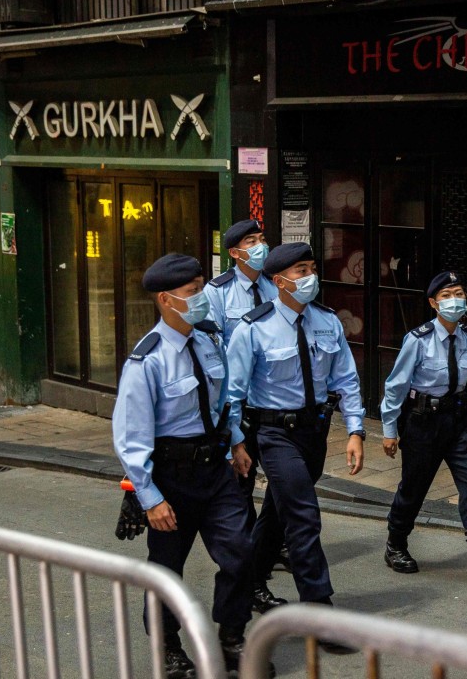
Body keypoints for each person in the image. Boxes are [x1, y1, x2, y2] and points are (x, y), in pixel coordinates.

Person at [112, 253, 270, 678]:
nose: (202, 297)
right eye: (193, 292)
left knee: (240, 553)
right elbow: (131, 439)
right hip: (171, 478)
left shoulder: (208, 338)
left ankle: (232, 638)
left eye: (202, 287)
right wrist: (149, 498)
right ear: (166, 299)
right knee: (166, 572)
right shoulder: (147, 360)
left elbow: (222, 402)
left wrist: (236, 442)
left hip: (216, 471)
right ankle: (168, 647)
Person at [225, 242, 365, 652]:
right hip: (274, 434)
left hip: (314, 432)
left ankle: (249, 580)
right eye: (300, 271)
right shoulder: (253, 327)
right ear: (278, 280)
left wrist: (355, 431)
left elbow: (346, 380)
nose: (309, 277)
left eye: (311, 268)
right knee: (303, 515)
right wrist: (235, 442)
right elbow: (232, 394)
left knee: (279, 513)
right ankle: (318, 611)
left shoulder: (326, 321)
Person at [380, 271, 467, 585]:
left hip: (457, 421)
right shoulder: (418, 340)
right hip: (422, 423)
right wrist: (390, 429)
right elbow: (395, 387)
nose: (454, 300)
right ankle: (395, 544)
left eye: (458, 293)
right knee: (413, 489)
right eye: (446, 295)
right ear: (433, 303)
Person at [204, 219, 290, 615]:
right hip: (238, 407)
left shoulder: (276, 286)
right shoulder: (217, 293)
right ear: (235, 252)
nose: (260, 246)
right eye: (251, 242)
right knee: (241, 488)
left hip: (272, 406)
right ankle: (249, 575)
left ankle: (269, 545)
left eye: (262, 238)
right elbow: (214, 352)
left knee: (283, 481)